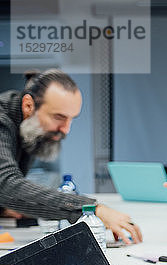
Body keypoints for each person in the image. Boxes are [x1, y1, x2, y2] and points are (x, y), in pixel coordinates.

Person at [0, 69, 142, 243]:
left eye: (71, 119)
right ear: (28, 105)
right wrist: (91, 209)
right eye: (59, 117)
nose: (66, 129)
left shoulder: (26, 125)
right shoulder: (2, 120)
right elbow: (5, 185)